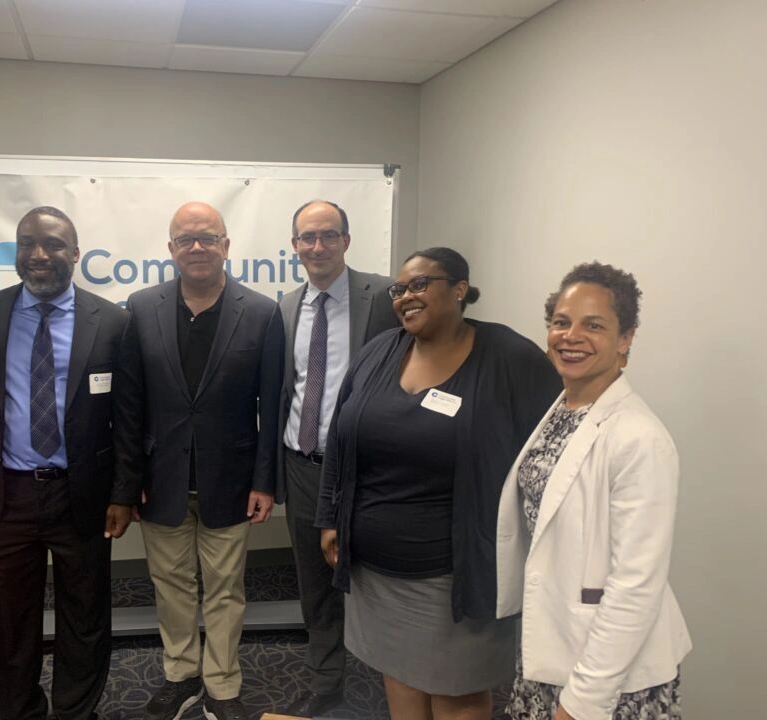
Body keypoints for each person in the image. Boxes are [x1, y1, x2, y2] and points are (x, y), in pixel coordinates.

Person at [316, 247, 562, 720]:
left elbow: (553, 445)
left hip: (454, 575)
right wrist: (330, 517)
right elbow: (342, 439)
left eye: (419, 284)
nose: (405, 296)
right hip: (376, 568)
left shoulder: (506, 356)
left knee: (457, 693)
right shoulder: (381, 351)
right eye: (399, 289)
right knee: (400, 675)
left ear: (459, 289)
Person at [0, 206, 130, 720]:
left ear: (75, 254)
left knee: (86, 614)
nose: (38, 255)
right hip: (4, 495)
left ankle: (77, 711)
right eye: (27, 243)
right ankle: (21, 711)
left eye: (52, 245)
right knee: (10, 619)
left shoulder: (112, 321)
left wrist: (122, 492)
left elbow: (128, 416)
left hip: (83, 494)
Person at [497, 262, 691, 720]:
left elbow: (635, 587)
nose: (571, 336)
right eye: (561, 322)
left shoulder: (639, 437)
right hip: (552, 649)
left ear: (625, 339)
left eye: (594, 325)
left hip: (609, 676)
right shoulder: (565, 408)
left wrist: (584, 701)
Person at [113, 201, 284, 720]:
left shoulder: (261, 312)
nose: (197, 247)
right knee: (171, 587)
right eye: (186, 239)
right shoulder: (140, 307)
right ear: (170, 250)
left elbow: (270, 405)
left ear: (226, 245)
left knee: (226, 590)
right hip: (159, 480)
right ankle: (181, 677)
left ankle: (223, 686)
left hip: (231, 481)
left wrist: (264, 480)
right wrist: (128, 482)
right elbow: (129, 404)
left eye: (207, 238)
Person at [276, 199, 398, 716]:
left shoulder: (386, 297)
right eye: (308, 237)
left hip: (369, 470)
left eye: (329, 235)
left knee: (378, 580)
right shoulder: (284, 307)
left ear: (347, 241)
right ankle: (328, 687)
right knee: (317, 584)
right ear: (295, 246)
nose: (318, 246)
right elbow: (286, 389)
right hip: (304, 466)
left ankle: (390, 686)